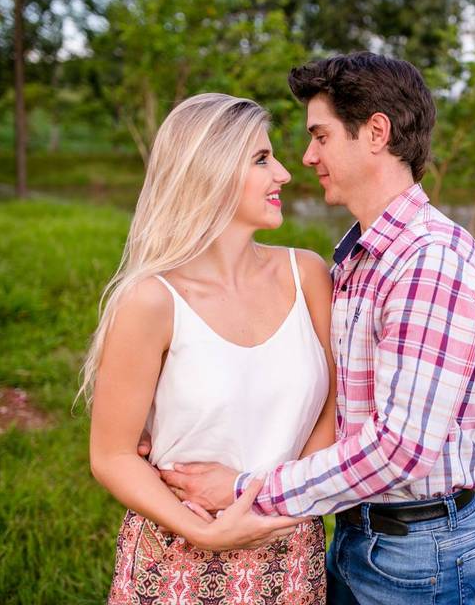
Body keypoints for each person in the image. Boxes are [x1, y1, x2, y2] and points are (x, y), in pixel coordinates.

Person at [159, 52, 475, 605]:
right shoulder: (359, 259)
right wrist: (177, 420)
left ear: (375, 132)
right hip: (360, 530)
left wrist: (249, 489)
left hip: (415, 550)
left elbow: (399, 450)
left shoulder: (428, 261)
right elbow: (332, 398)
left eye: (320, 136)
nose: (307, 156)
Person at [83, 93, 335, 604]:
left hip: (291, 553)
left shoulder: (308, 273)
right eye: (262, 159)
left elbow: (335, 408)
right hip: (178, 561)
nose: (284, 173)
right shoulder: (151, 301)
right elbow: (112, 454)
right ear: (211, 171)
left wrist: (283, 504)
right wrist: (204, 532)